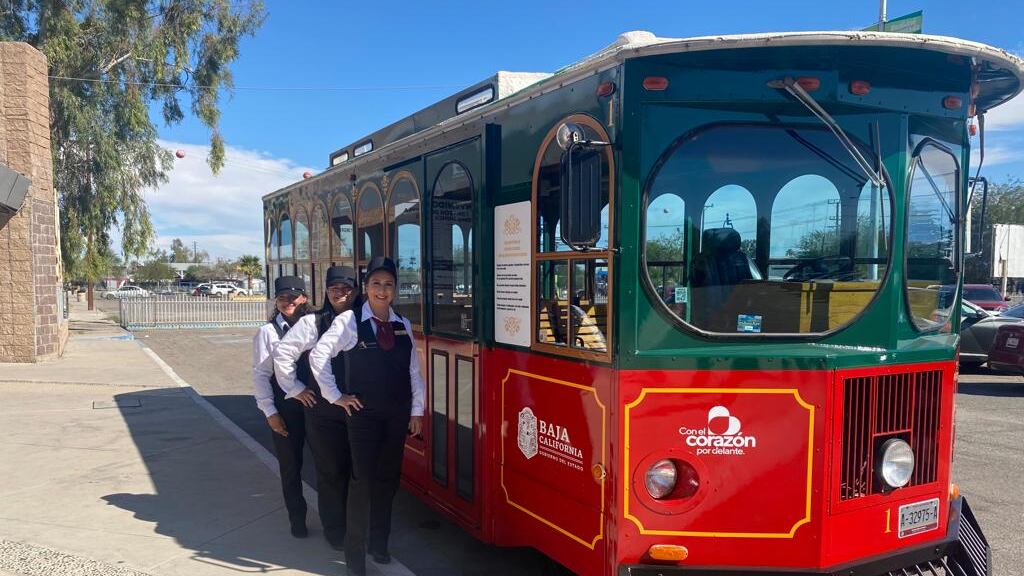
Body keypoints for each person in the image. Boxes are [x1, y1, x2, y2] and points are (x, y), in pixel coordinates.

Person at [309, 257, 424, 576]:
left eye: (388, 284)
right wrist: (334, 396)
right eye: (376, 284)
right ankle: (354, 556)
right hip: (364, 417)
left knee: (388, 482)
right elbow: (319, 355)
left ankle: (380, 544)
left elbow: (414, 371)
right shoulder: (348, 322)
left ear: (395, 289)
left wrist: (417, 410)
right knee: (361, 484)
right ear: (367, 288)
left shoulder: (402, 324)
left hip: (397, 416)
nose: (382, 290)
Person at [273, 266, 360, 550]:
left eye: (346, 288)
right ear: (326, 291)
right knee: (330, 472)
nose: (340, 293)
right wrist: (295, 389)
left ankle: (357, 527)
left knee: (357, 473)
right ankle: (335, 532)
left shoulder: (364, 319)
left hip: (356, 409)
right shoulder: (313, 322)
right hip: (323, 413)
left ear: (355, 291)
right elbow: (284, 354)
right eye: (335, 288)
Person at [251, 275, 312, 538]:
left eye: (293, 296)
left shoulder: (314, 326)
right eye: (282, 297)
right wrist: (270, 412)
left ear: (304, 298)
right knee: (290, 466)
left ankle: (336, 521)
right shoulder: (268, 333)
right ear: (276, 301)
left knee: (328, 465)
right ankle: (297, 518)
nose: (288, 301)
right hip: (285, 408)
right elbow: (261, 374)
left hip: (314, 405)